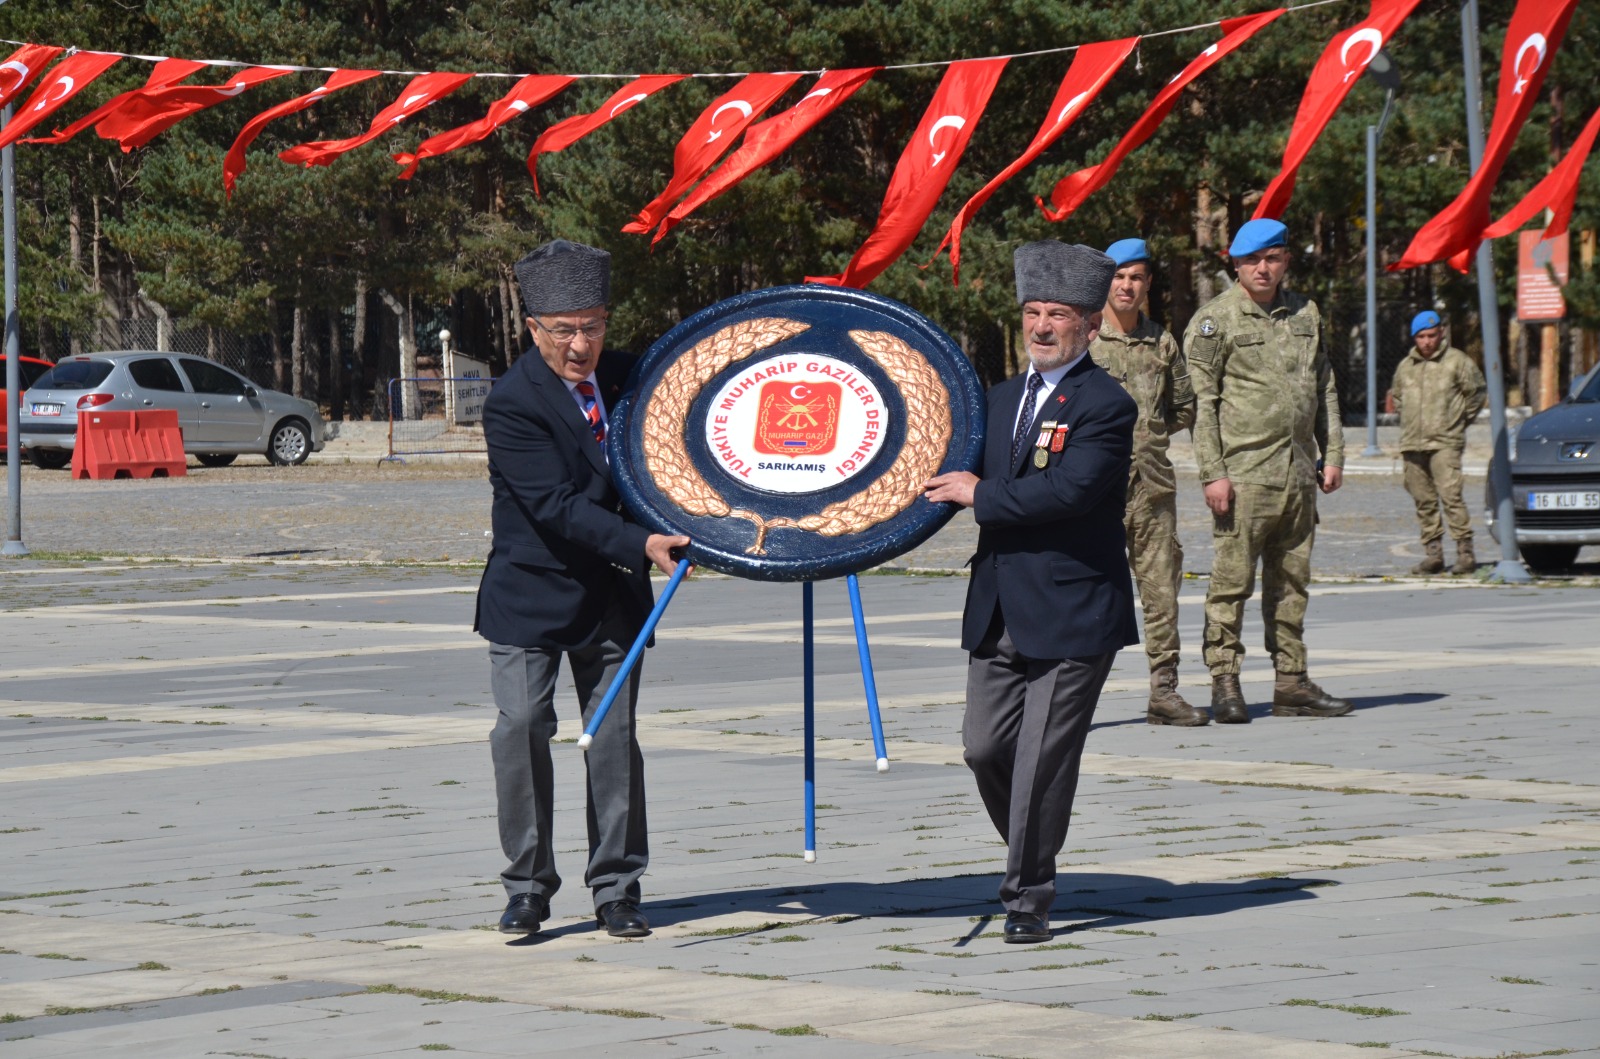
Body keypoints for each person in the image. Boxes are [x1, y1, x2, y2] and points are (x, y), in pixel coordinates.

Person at [474, 238, 690, 939]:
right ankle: (528, 885)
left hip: (611, 596)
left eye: (591, 325)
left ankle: (618, 887)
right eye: (563, 329)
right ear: (532, 328)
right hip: (530, 594)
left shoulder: (632, 378)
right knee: (522, 726)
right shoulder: (512, 403)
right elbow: (558, 506)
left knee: (615, 738)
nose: (579, 344)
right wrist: (642, 541)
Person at [924, 241, 1139, 943]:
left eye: (1059, 316)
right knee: (984, 748)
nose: (1042, 327)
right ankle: (1032, 839)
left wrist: (983, 494)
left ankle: (1026, 896)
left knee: (1042, 758)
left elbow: (1071, 490)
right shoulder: (1000, 397)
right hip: (998, 609)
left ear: (1089, 326)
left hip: (1074, 610)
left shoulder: (1107, 403)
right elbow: (945, 464)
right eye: (1033, 313)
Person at [1183, 218, 1352, 724]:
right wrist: (1212, 473)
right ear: (1235, 265)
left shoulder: (1305, 313)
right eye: (1252, 260)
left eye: (1272, 258)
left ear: (1285, 262)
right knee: (1232, 582)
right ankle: (1225, 681)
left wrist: (1334, 453)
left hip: (1298, 472)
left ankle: (1291, 682)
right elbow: (1202, 404)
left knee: (1292, 581)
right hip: (1244, 473)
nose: (1263, 268)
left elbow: (1323, 385)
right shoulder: (1215, 322)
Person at [1091, 238, 1205, 726]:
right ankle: (1070, 694)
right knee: (1089, 591)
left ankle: (1165, 689)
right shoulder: (1085, 340)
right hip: (1094, 491)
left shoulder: (1163, 341)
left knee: (1160, 589)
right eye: (1119, 276)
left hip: (1153, 488)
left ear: (1147, 285)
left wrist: (1148, 437)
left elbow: (1183, 406)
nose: (1127, 285)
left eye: (1136, 277)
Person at [1390, 310, 1486, 576]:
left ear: (1441, 333)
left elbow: (1476, 393)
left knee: (1451, 496)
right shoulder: (1406, 367)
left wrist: (1457, 421)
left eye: (1432, 335)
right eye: (1421, 336)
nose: (1427, 341)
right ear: (1414, 338)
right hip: (1412, 443)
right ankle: (1433, 554)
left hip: (1445, 442)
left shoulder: (1457, 362)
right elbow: (1398, 397)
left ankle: (1465, 553)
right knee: (1423, 500)